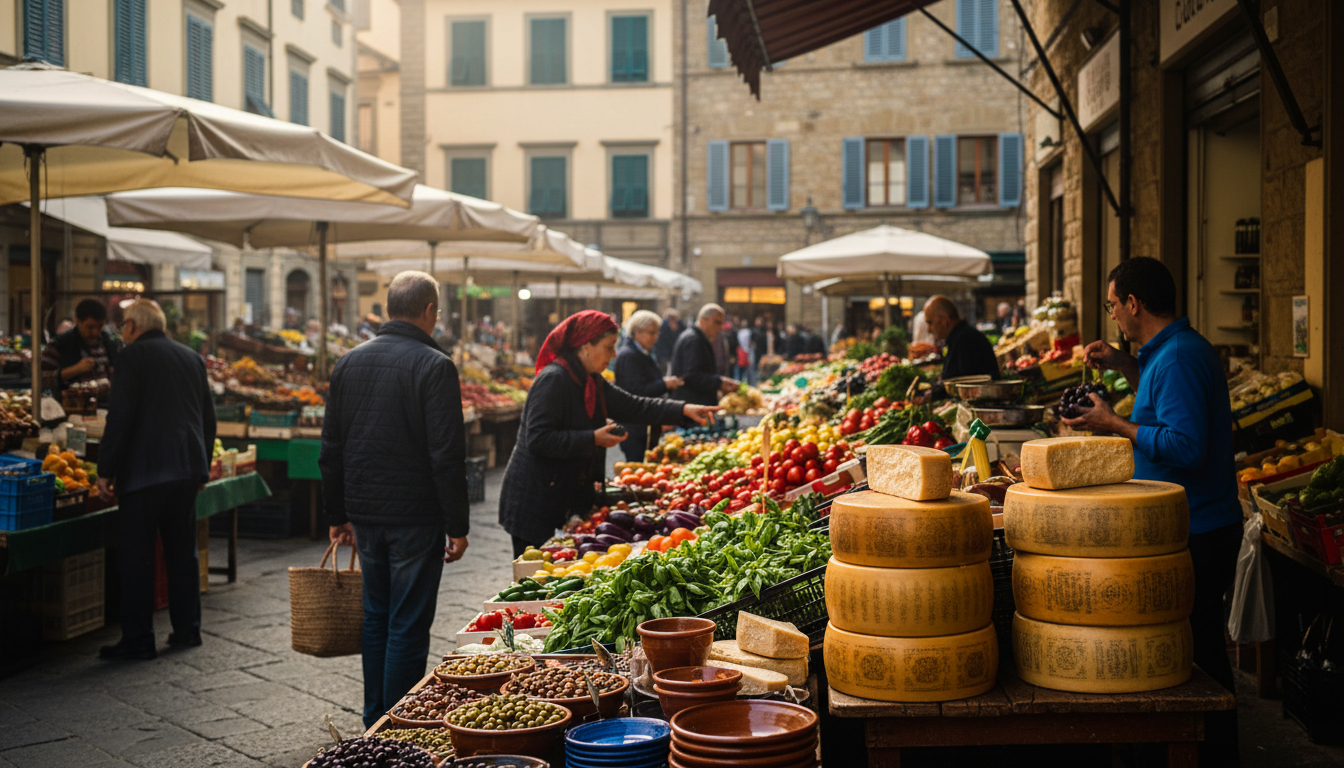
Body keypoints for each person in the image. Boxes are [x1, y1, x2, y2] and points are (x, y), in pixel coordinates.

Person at [1061, 257, 1240, 767]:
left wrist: (1113, 422)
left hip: (1199, 530)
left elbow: (1186, 446)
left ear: (1133, 304)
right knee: (1193, 649)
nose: (1112, 314)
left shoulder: (1180, 357)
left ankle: (1215, 755)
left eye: (1113, 304)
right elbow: (1165, 402)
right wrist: (1125, 367)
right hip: (1193, 525)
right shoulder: (1170, 353)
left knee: (1199, 657)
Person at [320, 271, 471, 728]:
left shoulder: (347, 363)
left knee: (377, 617)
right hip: (414, 517)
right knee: (406, 624)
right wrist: (457, 525)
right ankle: (398, 723)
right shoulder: (435, 365)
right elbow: (447, 456)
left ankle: (374, 718)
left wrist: (336, 515)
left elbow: (331, 450)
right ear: (429, 312)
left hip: (365, 514)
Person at [499, 311, 718, 554]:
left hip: (560, 496)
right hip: (535, 501)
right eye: (609, 347)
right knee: (534, 577)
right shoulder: (554, 379)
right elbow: (538, 438)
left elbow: (634, 405)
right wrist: (592, 438)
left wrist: (683, 409)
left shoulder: (591, 381)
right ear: (585, 347)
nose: (614, 354)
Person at [96, 300, 215, 661]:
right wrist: (202, 467)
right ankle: (187, 629)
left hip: (146, 472)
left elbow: (121, 417)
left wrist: (105, 469)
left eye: (123, 326)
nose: (121, 332)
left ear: (132, 325)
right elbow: (207, 418)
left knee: (137, 556)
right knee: (182, 552)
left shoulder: (132, 357)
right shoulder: (191, 357)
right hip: (185, 469)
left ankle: (138, 638)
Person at [614, 311, 683, 463]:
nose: (656, 337)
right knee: (636, 468)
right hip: (635, 427)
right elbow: (635, 392)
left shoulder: (642, 353)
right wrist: (664, 384)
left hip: (644, 424)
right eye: (652, 333)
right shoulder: (629, 355)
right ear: (638, 332)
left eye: (657, 332)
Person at [42, 298, 121, 403]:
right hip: (71, 407)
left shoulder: (111, 343)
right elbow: (42, 379)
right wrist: (75, 369)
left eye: (100, 327)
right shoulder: (60, 344)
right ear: (77, 320)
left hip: (106, 406)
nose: (95, 332)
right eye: (90, 327)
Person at [670, 305, 740, 406]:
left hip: (694, 402)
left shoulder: (697, 338)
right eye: (717, 322)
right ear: (703, 320)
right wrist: (719, 382)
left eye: (721, 323)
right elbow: (692, 375)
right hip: (691, 403)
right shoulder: (694, 339)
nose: (720, 327)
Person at [923, 296, 999, 381]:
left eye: (930, 323)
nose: (929, 330)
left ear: (944, 319)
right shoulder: (960, 338)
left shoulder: (966, 340)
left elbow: (967, 385)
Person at [653, 308, 683, 375]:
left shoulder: (680, 326)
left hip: (675, 352)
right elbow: (659, 342)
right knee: (663, 370)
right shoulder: (662, 326)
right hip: (664, 354)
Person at [736, 320, 755, 385]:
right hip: (742, 353)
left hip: (749, 352)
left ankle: (750, 384)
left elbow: (751, 343)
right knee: (741, 371)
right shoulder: (739, 332)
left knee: (749, 371)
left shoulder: (749, 332)